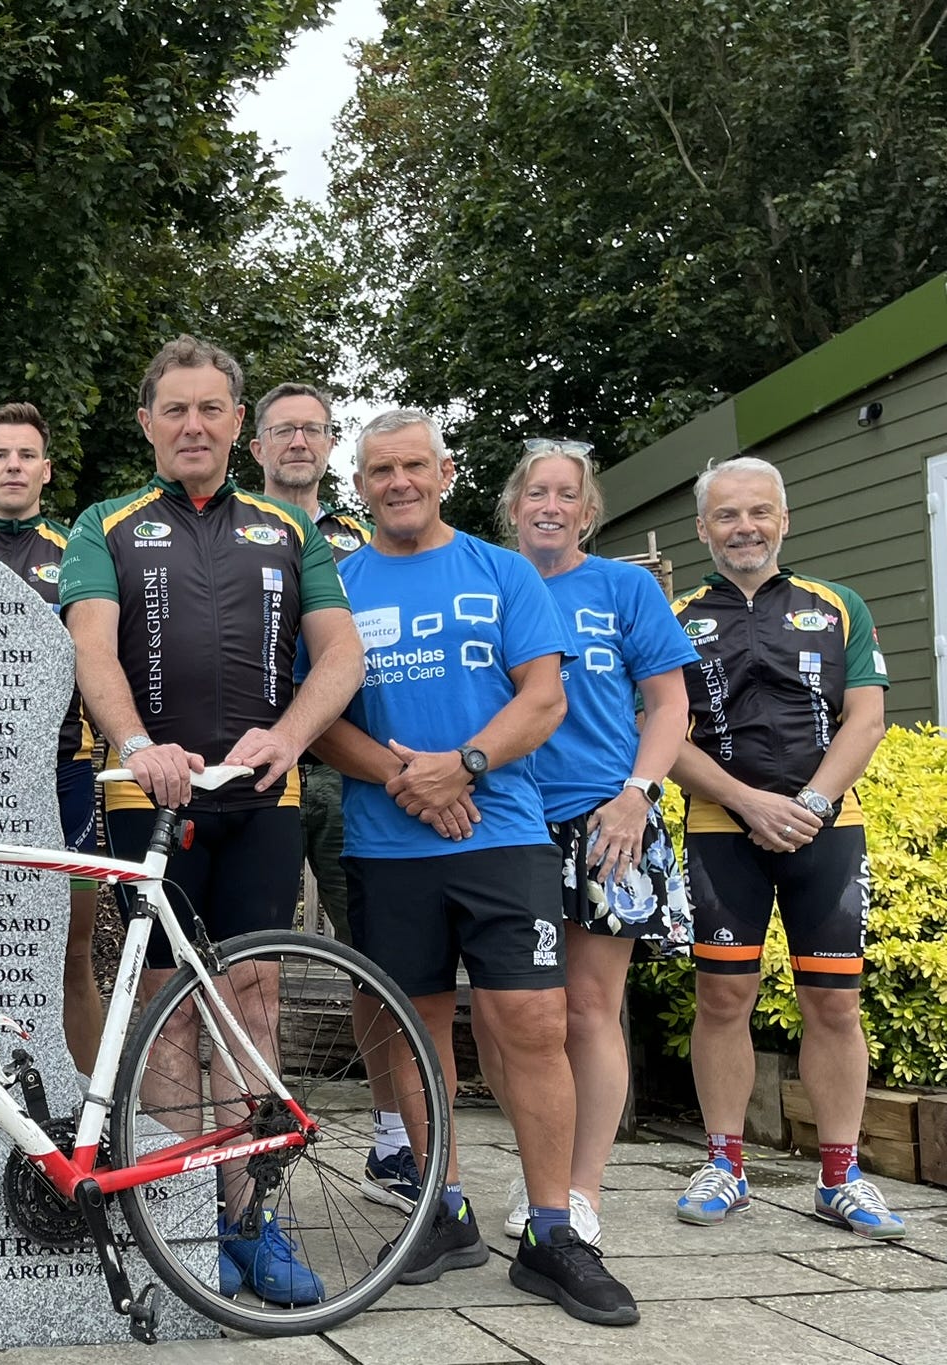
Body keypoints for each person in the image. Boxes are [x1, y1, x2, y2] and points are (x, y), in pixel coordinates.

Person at [304, 408, 637, 1326]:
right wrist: (414, 778)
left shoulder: (501, 571)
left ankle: (554, 1230)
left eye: (414, 465)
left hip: (506, 835)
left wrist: (469, 765)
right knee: (416, 1029)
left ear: (445, 471)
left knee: (533, 1020)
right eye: (380, 470)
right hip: (388, 840)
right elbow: (321, 716)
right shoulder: (336, 583)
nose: (399, 481)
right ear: (359, 484)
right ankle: (440, 1208)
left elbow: (544, 697)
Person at [59, 336, 365, 1306]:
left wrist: (291, 733)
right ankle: (178, 1217)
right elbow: (90, 650)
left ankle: (246, 1221)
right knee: (167, 1009)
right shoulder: (103, 523)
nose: (192, 426)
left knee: (253, 1001)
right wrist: (133, 741)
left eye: (210, 410)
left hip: (258, 797)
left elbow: (339, 654)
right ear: (145, 423)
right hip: (144, 795)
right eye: (173, 410)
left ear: (236, 423)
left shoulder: (284, 527)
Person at [667, 457, 901, 1238]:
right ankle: (724, 1163)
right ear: (704, 529)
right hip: (720, 825)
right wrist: (744, 801)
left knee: (834, 1002)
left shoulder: (839, 605)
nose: (745, 527)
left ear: (784, 519)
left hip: (824, 826)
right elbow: (664, 732)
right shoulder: (675, 612)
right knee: (722, 997)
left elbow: (864, 719)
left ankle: (841, 1176)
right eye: (727, 515)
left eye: (760, 512)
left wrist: (807, 803)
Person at [480, 438, 694, 1247]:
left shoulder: (625, 586)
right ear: (512, 504)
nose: (550, 505)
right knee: (509, 1015)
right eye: (537, 491)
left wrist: (638, 794)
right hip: (505, 818)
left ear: (589, 510)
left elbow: (669, 705)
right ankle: (540, 1163)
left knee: (590, 1009)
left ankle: (580, 1188)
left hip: (604, 818)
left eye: (567, 494)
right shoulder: (487, 579)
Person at [247, 384, 415, 1213]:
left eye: (313, 429)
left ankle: (393, 1138)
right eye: (283, 430)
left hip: (351, 769)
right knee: (255, 968)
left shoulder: (364, 541)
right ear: (258, 445)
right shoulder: (230, 529)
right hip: (259, 773)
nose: (299, 443)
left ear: (330, 445)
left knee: (372, 951)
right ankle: (252, 1135)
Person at [0, 400, 103, 1073]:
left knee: (73, 954)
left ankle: (96, 1114)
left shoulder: (80, 552)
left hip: (65, 776)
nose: (13, 465)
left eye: (26, 455)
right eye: (0, 454)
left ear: (46, 470)